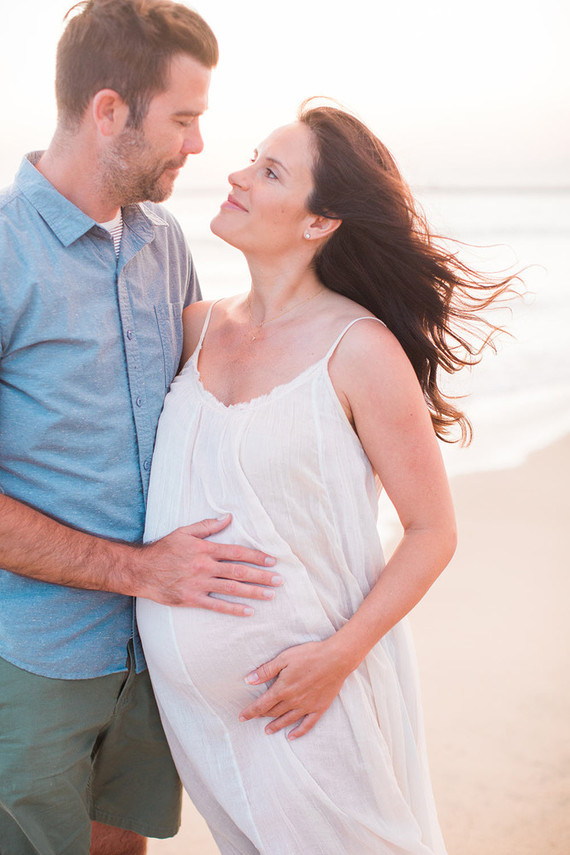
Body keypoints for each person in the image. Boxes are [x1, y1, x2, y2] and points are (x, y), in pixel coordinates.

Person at [137, 103, 517, 854]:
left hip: (307, 706)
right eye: (252, 157)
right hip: (205, 728)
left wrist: (336, 658)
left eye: (271, 171)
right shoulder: (195, 328)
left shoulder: (359, 348)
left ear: (319, 221)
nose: (237, 174)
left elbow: (432, 530)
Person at [0, 2, 282, 854]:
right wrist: (142, 569)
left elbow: (226, 385)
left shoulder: (163, 242)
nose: (198, 145)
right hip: (34, 660)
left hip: (154, 654)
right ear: (110, 110)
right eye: (184, 119)